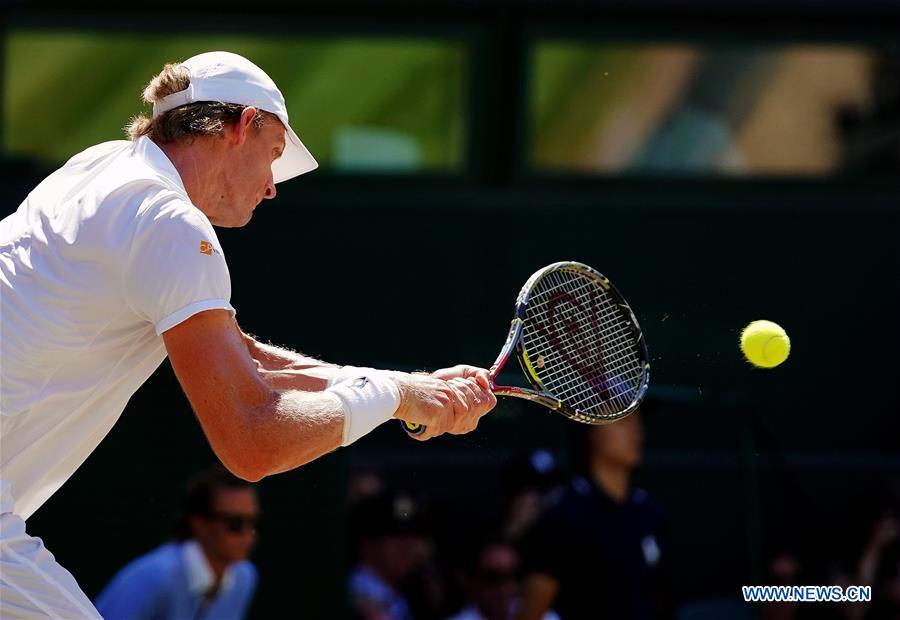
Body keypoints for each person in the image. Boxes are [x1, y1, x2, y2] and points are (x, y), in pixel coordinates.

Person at [0, 51, 496, 618]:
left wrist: (409, 385)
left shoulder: (101, 169)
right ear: (243, 126)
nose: (271, 188)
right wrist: (395, 397)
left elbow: (244, 361)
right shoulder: (170, 223)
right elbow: (253, 443)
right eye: (274, 155)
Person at [518, 410, 670, 620]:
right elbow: (531, 611)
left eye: (637, 421)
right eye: (622, 421)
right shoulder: (564, 515)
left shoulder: (648, 510)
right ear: (591, 431)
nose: (636, 432)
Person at [95, 466, 259, 619]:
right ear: (199, 524)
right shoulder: (155, 578)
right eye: (235, 523)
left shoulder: (243, 578)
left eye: (252, 522)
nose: (248, 534)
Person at [349, 490, 431, 620]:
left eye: (413, 536)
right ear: (368, 543)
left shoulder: (415, 595)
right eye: (398, 537)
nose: (408, 547)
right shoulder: (349, 598)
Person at [448, 535, 558, 620]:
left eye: (513, 574)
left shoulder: (544, 616)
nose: (505, 587)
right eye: (493, 577)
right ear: (471, 581)